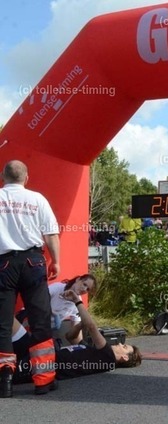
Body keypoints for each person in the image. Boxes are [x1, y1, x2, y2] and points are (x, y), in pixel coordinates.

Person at [0, 160, 60, 397]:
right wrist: (56, 261)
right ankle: (43, 381)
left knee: (3, 323)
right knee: (40, 320)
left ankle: (5, 380)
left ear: (3, 176)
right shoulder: (38, 199)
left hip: (3, 264)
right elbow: (51, 234)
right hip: (33, 262)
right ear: (26, 178)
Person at [12, 288, 141, 383]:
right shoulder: (94, 354)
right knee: (9, 322)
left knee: (8, 371)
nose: (120, 344)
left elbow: (91, 327)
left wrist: (77, 301)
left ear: (124, 357)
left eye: (124, 347)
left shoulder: (108, 358)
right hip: (40, 354)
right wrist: (80, 325)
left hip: (41, 364)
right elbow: (70, 337)